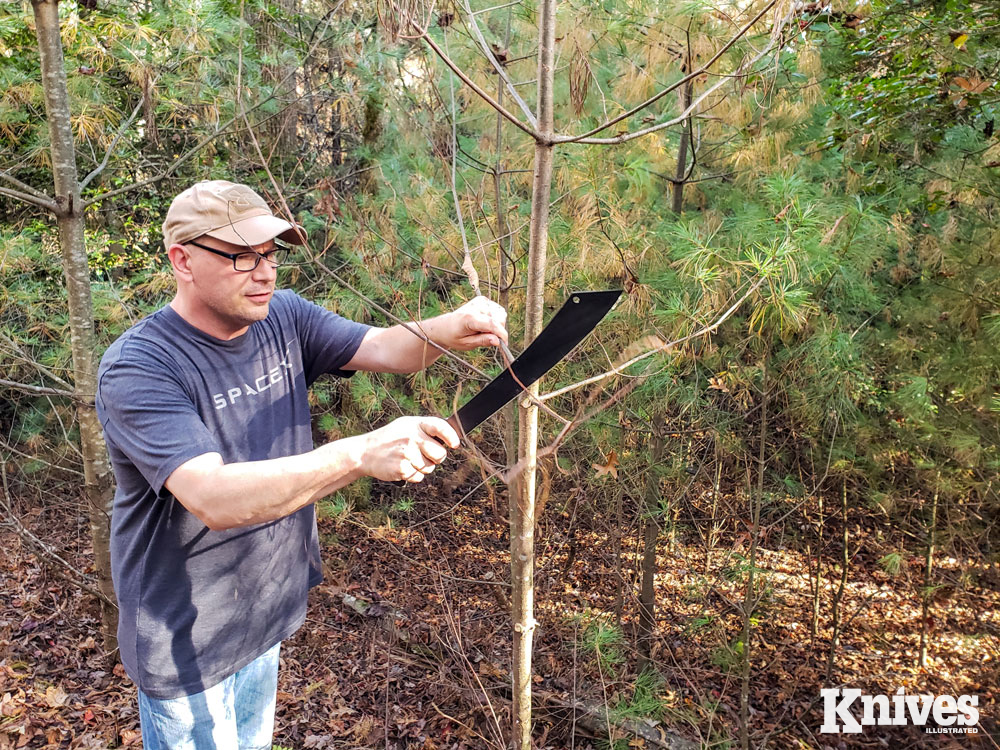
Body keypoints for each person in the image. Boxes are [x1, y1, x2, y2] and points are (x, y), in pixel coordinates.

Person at [95, 179, 508, 749]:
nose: (264, 272)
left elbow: (388, 347)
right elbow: (213, 497)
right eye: (241, 256)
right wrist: (359, 452)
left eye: (269, 254)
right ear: (182, 260)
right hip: (186, 637)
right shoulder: (140, 367)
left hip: (264, 609)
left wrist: (449, 327)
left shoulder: (282, 318)